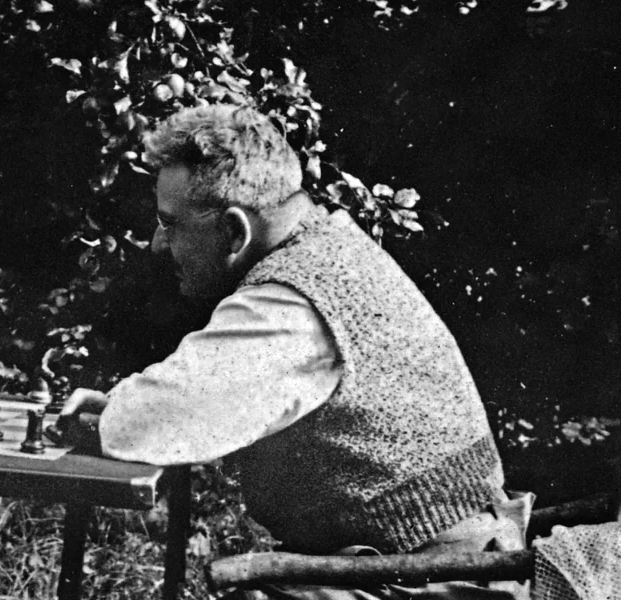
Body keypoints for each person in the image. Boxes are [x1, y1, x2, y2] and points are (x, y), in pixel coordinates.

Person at [62, 104, 528, 599]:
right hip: (432, 558)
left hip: (434, 579)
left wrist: (112, 416)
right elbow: (183, 405)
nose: (158, 244)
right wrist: (122, 409)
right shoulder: (328, 250)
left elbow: (156, 421)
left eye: (169, 223)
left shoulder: (294, 300)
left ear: (234, 232)